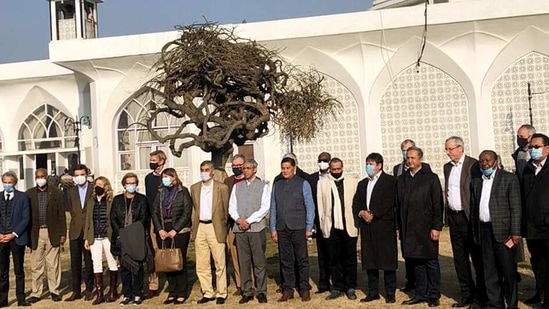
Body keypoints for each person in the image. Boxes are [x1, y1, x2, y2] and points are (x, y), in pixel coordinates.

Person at [470, 150, 521, 309]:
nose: (484, 163)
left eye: (487, 160)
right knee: (489, 270)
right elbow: (473, 209)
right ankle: (495, 304)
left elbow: (516, 207)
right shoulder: (476, 182)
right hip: (484, 230)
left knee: (508, 270)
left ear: (496, 161)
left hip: (504, 232)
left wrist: (516, 232)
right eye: (481, 161)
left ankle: (511, 304)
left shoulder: (508, 179)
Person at [396, 146, 443, 307]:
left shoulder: (431, 178)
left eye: (413, 158)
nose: (410, 160)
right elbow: (398, 205)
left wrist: (436, 227)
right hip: (408, 228)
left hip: (426, 227)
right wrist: (399, 227)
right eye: (408, 158)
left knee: (430, 261)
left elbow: (438, 205)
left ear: (420, 159)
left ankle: (434, 294)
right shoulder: (402, 179)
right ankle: (420, 293)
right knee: (415, 262)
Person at [443, 136, 485, 308]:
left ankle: (482, 296)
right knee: (460, 259)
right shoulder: (447, 168)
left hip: (469, 218)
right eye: (446, 149)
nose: (448, 152)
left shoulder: (473, 165)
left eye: (450, 149)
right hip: (454, 218)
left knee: (477, 258)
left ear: (460, 148)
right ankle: (467, 295)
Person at [353, 153, 397, 304]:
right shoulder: (362, 184)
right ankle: (373, 292)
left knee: (387, 261)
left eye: (371, 163)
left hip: (384, 225)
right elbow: (357, 203)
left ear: (379, 165)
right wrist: (361, 213)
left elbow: (389, 201)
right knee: (370, 260)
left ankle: (390, 292)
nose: (368, 166)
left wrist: (374, 213)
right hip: (367, 227)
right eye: (367, 163)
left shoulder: (390, 181)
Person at [270, 156, 315, 302]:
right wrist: (273, 228)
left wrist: (309, 227)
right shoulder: (277, 185)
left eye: (288, 168)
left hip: (298, 227)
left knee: (302, 259)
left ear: (294, 168)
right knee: (285, 260)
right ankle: (288, 289)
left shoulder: (303, 183)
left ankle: (304, 288)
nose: (285, 171)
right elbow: (273, 207)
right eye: (283, 168)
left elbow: (310, 206)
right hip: (282, 228)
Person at [228, 159, 270, 304]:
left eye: (247, 168)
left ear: (254, 170)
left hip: (256, 228)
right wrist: (239, 220)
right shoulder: (237, 187)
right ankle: (246, 291)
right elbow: (231, 206)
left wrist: (249, 221)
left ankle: (261, 291)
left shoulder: (263, 186)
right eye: (243, 168)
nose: (244, 170)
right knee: (243, 261)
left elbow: (264, 207)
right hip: (240, 229)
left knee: (258, 261)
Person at [317, 157, 359, 301]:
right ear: (330, 169)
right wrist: (323, 226)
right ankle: (337, 286)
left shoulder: (352, 181)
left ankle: (350, 286)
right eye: (333, 169)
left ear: (342, 167)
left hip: (349, 226)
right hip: (331, 226)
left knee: (350, 258)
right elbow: (321, 206)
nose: (336, 171)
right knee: (334, 259)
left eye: (338, 169)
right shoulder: (322, 183)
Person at [392, 139, 431, 293]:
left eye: (409, 151)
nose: (407, 155)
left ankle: (425, 284)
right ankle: (410, 280)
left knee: (421, 253)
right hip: (404, 218)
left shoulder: (425, 169)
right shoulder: (397, 169)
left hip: (420, 218)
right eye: (404, 151)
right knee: (407, 251)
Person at [191, 161, 229, 305]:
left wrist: (223, 226)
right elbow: (195, 209)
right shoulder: (194, 188)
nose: (204, 172)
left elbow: (225, 210)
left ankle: (221, 292)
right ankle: (207, 292)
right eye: (202, 170)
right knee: (202, 263)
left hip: (216, 227)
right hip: (200, 226)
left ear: (212, 171)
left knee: (220, 262)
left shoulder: (222, 188)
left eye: (207, 170)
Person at [152, 168, 193, 305]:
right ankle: (172, 291)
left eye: (168, 176)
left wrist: (175, 229)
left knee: (178, 260)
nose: (165, 179)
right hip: (163, 230)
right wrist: (159, 229)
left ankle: (182, 291)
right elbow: (155, 212)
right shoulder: (160, 192)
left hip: (179, 231)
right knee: (167, 262)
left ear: (174, 177)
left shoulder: (182, 191)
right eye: (164, 176)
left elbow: (187, 212)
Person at [26, 168, 66, 304]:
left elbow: (61, 215)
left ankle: (55, 291)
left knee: (53, 264)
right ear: (35, 178)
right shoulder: (29, 194)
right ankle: (36, 292)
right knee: (36, 265)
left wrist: (62, 234)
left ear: (47, 177)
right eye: (38, 176)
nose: (40, 178)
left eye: (42, 176)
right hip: (36, 233)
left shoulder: (56, 192)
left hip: (52, 232)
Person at [111, 173, 150, 306]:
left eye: (133, 183)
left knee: (137, 267)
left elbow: (143, 218)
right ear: (124, 185)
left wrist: (133, 233)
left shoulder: (142, 199)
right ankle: (127, 294)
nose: (131, 185)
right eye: (128, 183)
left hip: (136, 237)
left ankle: (138, 294)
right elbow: (113, 218)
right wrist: (120, 233)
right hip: (122, 237)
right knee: (125, 268)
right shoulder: (117, 200)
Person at [520, 133, 549, 308]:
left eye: (536, 147)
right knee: (537, 262)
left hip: (547, 226)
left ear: (547, 148)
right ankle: (539, 293)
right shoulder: (528, 169)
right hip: (531, 226)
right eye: (531, 147)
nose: (533, 150)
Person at [84, 176, 118, 305]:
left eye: (101, 184)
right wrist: (86, 238)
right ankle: (99, 294)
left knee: (112, 262)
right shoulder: (91, 201)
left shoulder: (111, 201)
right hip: (94, 236)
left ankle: (113, 291)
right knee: (96, 263)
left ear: (106, 186)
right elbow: (88, 221)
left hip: (108, 236)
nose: (98, 186)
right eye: (96, 184)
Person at [0, 171, 31, 307]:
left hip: (16, 238)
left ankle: (21, 298)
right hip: (1, 238)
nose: (7, 185)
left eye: (10, 182)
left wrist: (14, 233)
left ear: (15, 182)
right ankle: (2, 299)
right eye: (5, 182)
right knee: (2, 271)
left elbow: (26, 218)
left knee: (19, 270)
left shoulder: (22, 197)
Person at [65, 164, 94, 302]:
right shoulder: (70, 191)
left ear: (86, 174)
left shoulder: (93, 189)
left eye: (81, 174)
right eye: (76, 175)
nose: (79, 177)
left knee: (89, 261)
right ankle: (76, 290)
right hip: (75, 231)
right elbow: (72, 211)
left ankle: (90, 289)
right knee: (75, 262)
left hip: (89, 230)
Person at [306, 151, 332, 294]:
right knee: (322, 253)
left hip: (333, 221)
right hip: (319, 221)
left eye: (325, 160)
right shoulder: (311, 179)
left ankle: (337, 282)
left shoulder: (334, 177)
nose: (322, 162)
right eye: (320, 160)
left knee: (333, 253)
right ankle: (323, 283)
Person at [143, 150, 166, 299]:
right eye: (150, 160)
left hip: (167, 218)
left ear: (161, 161)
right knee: (152, 250)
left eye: (154, 160)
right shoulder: (148, 178)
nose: (152, 162)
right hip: (152, 218)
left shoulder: (169, 176)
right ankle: (153, 284)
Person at [223, 154, 247, 296]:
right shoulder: (228, 182)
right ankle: (240, 284)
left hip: (248, 223)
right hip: (232, 224)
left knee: (248, 255)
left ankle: (252, 282)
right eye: (234, 166)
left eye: (239, 165)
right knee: (235, 255)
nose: (236, 168)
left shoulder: (249, 180)